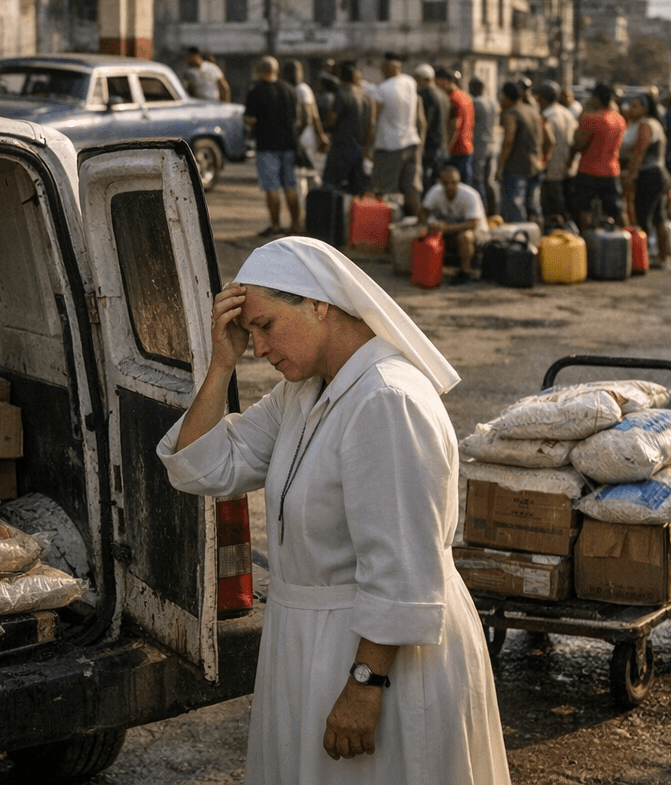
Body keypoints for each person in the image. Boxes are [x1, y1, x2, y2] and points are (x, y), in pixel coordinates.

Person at [157, 236, 508, 785]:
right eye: (249, 335)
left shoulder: (386, 400)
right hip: (314, 644)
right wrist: (219, 366)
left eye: (265, 326)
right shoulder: (304, 393)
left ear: (318, 303)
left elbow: (400, 567)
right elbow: (201, 467)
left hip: (376, 656)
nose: (259, 349)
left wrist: (365, 686)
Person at [245, 55, 302, 237]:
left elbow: (250, 120)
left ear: (260, 71)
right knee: (290, 187)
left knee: (272, 188)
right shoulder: (290, 89)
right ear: (275, 71)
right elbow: (296, 118)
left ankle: (276, 227)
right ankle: (296, 226)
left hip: (267, 145)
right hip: (288, 144)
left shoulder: (256, 91)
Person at [368, 53, 425, 217]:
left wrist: (367, 146)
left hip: (389, 146)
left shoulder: (383, 89)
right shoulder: (410, 82)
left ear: (390, 68)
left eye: (383, 68)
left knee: (385, 190)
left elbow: (374, 119)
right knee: (411, 188)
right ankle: (414, 227)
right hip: (411, 142)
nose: (382, 72)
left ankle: (382, 229)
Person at [621, 94, 671, 269]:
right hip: (657, 175)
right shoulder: (645, 124)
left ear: (645, 109)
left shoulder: (646, 125)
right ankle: (661, 258)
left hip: (649, 175)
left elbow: (639, 153)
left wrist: (630, 176)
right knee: (658, 216)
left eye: (635, 106)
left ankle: (644, 258)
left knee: (644, 216)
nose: (630, 110)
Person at [569, 83, 627, 229]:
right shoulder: (619, 119)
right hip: (611, 170)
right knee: (617, 209)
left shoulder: (591, 119)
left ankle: (589, 242)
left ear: (596, 99)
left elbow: (579, 144)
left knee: (585, 209)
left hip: (588, 170)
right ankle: (629, 238)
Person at [421, 165, 488, 283]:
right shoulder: (436, 191)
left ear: (458, 182)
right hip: (449, 227)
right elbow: (423, 212)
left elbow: (472, 224)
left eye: (453, 183)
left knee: (465, 237)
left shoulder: (470, 195)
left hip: (475, 233)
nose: (449, 186)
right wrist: (429, 223)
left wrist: (447, 228)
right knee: (423, 232)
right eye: (445, 183)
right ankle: (428, 269)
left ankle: (465, 271)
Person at [495, 81, 549, 225]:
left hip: (517, 167)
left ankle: (519, 240)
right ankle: (537, 238)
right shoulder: (532, 110)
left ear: (506, 97)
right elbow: (548, 138)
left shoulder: (511, 113)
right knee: (533, 206)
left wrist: (500, 167)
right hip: (536, 165)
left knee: (514, 207)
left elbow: (508, 141)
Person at [321, 61, 370, 197]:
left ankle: (331, 216)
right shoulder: (365, 96)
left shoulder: (342, 94)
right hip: (359, 147)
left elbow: (332, 119)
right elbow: (371, 124)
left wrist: (324, 128)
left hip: (341, 146)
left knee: (330, 185)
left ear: (341, 77)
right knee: (357, 189)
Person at [287, 60, 329, 198]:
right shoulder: (292, 88)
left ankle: (310, 200)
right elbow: (314, 114)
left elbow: (309, 115)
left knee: (303, 171)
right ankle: (314, 199)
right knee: (308, 170)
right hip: (303, 134)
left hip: (304, 135)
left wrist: (318, 134)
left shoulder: (301, 89)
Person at [537, 81, 577, 226]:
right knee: (566, 204)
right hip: (568, 167)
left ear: (542, 97)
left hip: (552, 168)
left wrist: (542, 161)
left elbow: (547, 141)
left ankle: (557, 238)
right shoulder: (567, 113)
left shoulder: (548, 115)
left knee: (552, 208)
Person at [414, 63, 451, 189]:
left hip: (429, 145)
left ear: (421, 78)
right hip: (442, 144)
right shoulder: (443, 95)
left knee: (426, 181)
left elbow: (424, 122)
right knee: (437, 181)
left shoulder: (425, 94)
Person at [470, 77, 501, 215]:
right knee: (488, 180)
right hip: (492, 143)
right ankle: (493, 209)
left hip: (479, 144)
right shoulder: (492, 102)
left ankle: (481, 210)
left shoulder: (476, 102)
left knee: (477, 179)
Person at [439, 68, 475, 186]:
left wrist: (447, 149)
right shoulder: (465, 96)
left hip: (455, 149)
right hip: (466, 147)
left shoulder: (453, 98)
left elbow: (455, 126)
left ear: (446, 81)